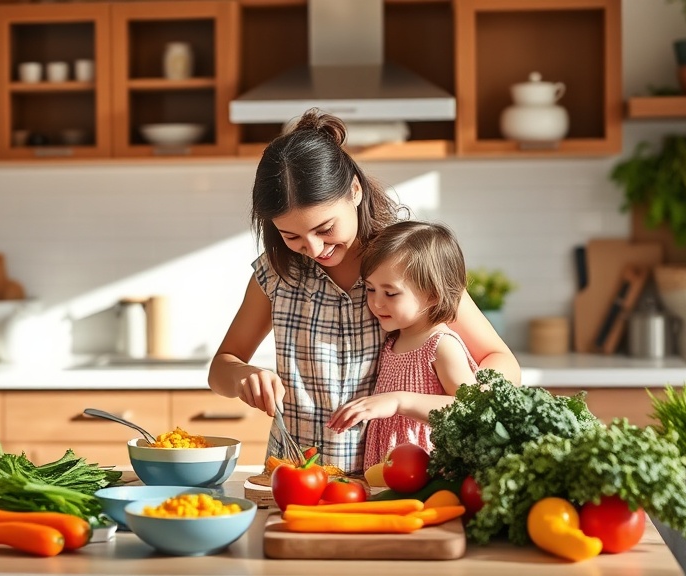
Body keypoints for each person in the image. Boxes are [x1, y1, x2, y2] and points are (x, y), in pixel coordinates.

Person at [207, 109, 519, 474]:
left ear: (354, 191)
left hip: (393, 481)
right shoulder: (277, 273)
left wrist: (464, 404)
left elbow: (502, 362)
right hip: (296, 477)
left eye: (325, 228)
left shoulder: (407, 266)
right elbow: (221, 368)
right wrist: (243, 375)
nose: (313, 247)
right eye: (292, 236)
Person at [325, 220, 477, 470]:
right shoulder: (394, 339)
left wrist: (399, 402)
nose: (376, 303)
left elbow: (468, 408)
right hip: (388, 473)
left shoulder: (441, 345)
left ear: (432, 295)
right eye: (370, 289)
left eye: (391, 293)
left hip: (427, 473)